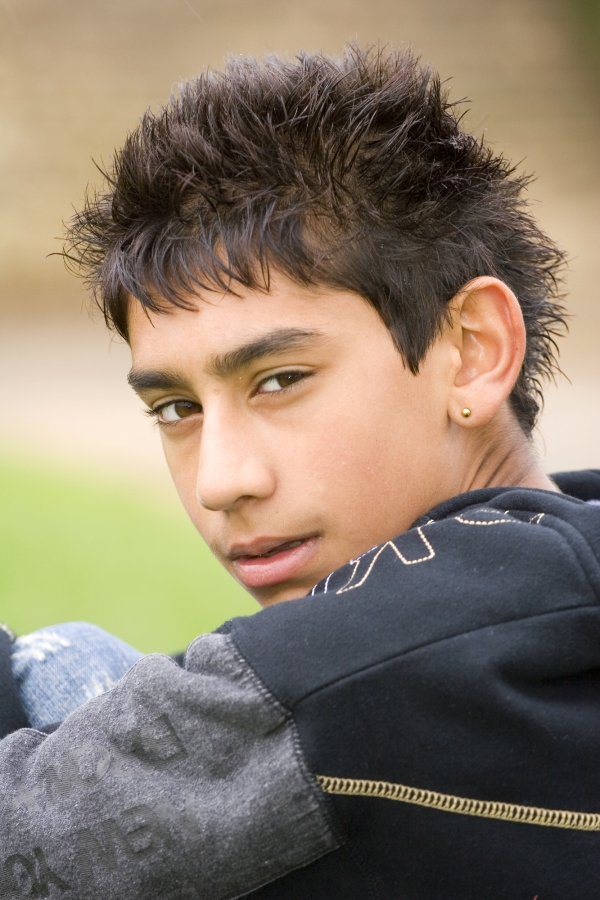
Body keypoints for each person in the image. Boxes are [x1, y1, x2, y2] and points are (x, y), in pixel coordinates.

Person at [0, 45, 599, 898]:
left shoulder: (358, 675)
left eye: (280, 381)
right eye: (176, 410)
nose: (220, 481)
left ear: (471, 352)